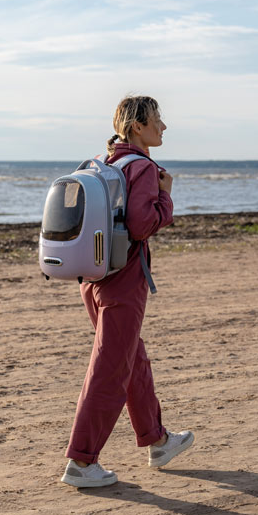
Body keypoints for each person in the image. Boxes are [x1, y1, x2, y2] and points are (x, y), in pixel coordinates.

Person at [60, 95, 194, 488]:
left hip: (95, 277)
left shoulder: (107, 163)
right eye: (158, 119)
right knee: (109, 369)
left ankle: (158, 441)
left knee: (132, 360)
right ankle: (82, 463)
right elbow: (141, 224)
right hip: (124, 280)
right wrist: (166, 196)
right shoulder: (144, 167)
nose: (163, 127)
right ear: (138, 126)